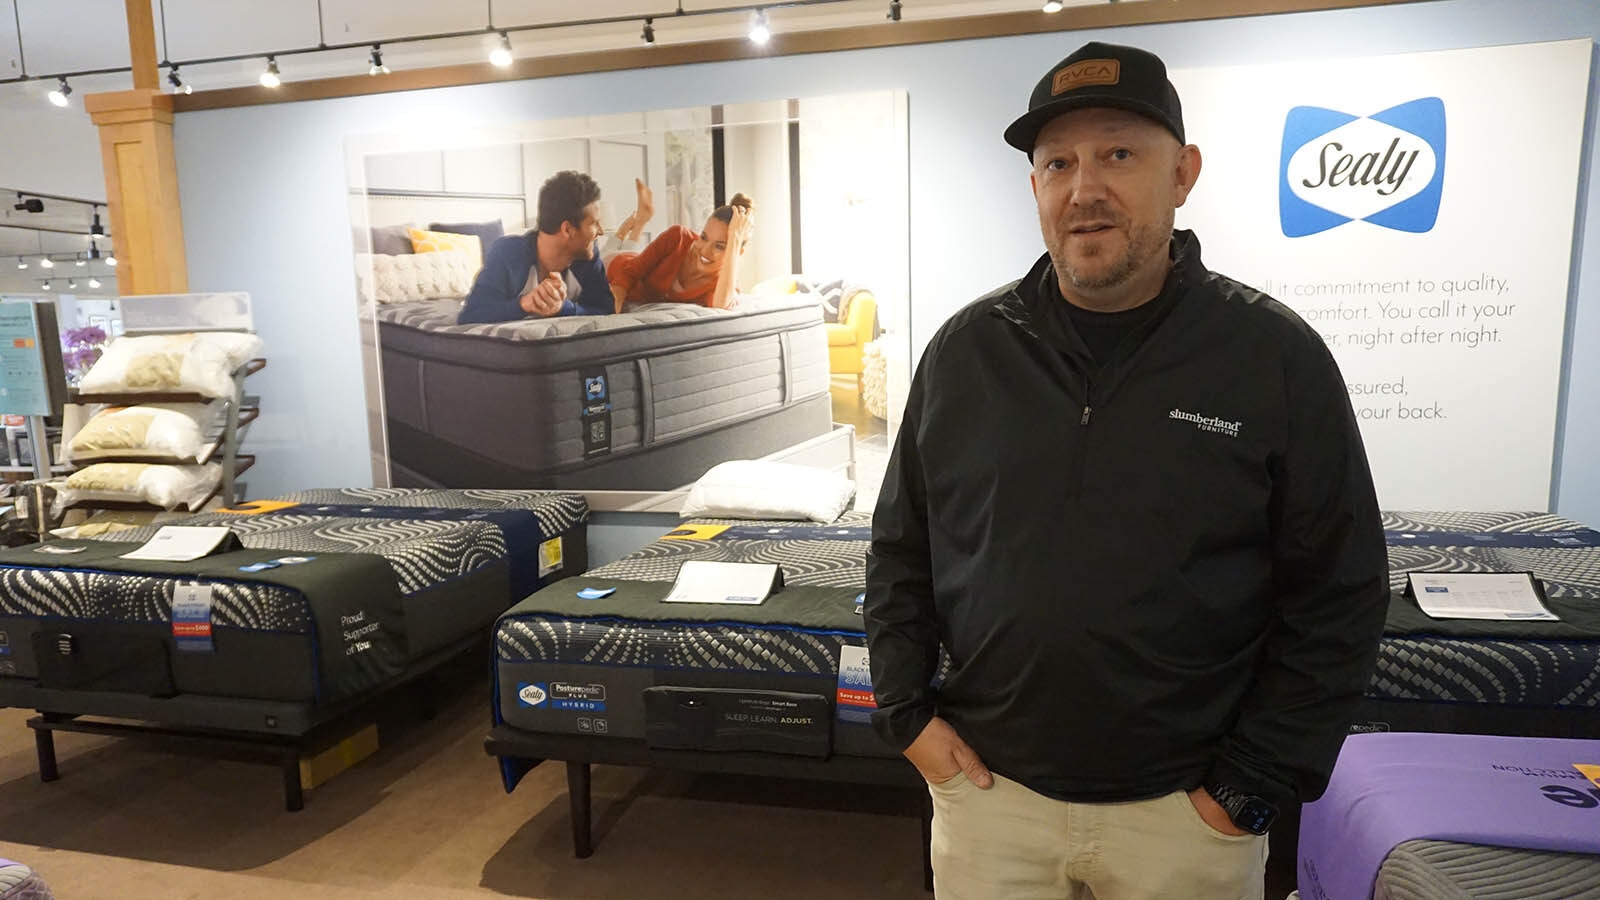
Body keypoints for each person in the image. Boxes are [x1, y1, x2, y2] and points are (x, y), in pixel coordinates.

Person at [863, 41, 1390, 900]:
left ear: (1182, 174)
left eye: (1118, 153)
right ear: (1034, 186)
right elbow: (900, 552)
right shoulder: (966, 354)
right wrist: (907, 716)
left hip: (1185, 818)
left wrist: (1248, 788)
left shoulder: (1273, 357)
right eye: (1057, 162)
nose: (1085, 188)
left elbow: (1340, 592)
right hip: (991, 802)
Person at [456, 170, 612, 324]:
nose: (601, 231)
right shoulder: (507, 253)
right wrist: (525, 304)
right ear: (567, 229)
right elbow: (471, 315)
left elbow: (607, 311)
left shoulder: (588, 255)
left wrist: (564, 308)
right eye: (594, 223)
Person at [604, 186, 755, 312]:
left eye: (720, 246)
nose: (704, 250)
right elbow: (629, 273)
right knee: (603, 252)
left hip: (638, 263)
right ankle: (624, 231)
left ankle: (634, 227)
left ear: (736, 252)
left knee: (634, 250)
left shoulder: (724, 284)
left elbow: (722, 307)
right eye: (703, 237)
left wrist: (735, 237)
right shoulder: (678, 237)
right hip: (614, 267)